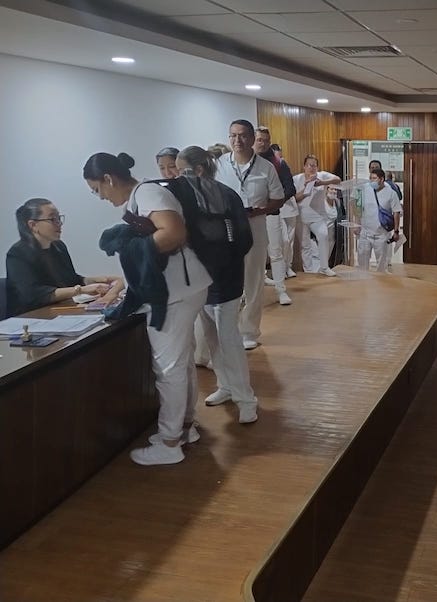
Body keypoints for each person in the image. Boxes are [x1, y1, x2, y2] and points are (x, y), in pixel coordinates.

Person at [84, 152, 212, 466]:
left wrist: (133, 249)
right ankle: (185, 427)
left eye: (98, 190)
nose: (100, 197)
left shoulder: (148, 194)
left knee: (168, 370)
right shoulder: (142, 197)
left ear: (109, 178)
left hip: (174, 294)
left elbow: (174, 233)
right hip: (187, 287)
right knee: (182, 363)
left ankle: (169, 443)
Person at [175, 146, 258, 424]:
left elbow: (243, 239)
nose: (176, 176)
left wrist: (222, 262)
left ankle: (246, 398)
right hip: (200, 280)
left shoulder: (226, 196)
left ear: (199, 170)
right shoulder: (186, 199)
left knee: (229, 338)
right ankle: (225, 385)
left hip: (225, 278)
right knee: (211, 336)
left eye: (181, 170)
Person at [215, 119, 290, 351]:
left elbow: (278, 198)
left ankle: (249, 331)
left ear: (252, 139)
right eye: (233, 135)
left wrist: (259, 210)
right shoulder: (219, 165)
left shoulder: (266, 167)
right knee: (228, 282)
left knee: (254, 282)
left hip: (255, 228)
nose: (237, 140)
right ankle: (228, 330)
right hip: (226, 231)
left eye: (243, 135)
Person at [6, 198, 124, 316]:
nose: (59, 223)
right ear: (33, 225)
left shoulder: (58, 247)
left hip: (60, 311)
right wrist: (81, 290)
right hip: (31, 316)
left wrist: (91, 281)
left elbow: (70, 280)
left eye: (59, 218)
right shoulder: (17, 253)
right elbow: (34, 295)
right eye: (53, 219)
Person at [254, 128, 298, 281]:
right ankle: (261, 277)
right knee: (254, 251)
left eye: (266, 140)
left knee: (277, 248)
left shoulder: (278, 163)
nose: (263, 143)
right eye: (260, 140)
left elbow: (290, 188)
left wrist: (275, 202)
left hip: (272, 213)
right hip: (250, 214)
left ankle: (280, 286)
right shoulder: (246, 162)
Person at [293, 154, 341, 276]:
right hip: (301, 216)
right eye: (309, 165)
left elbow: (338, 180)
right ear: (304, 166)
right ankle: (308, 271)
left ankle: (324, 267)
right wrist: (305, 190)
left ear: (317, 167)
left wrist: (322, 183)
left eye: (314, 166)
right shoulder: (297, 179)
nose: (311, 168)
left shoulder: (322, 175)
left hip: (318, 216)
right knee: (305, 245)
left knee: (323, 235)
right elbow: (294, 198)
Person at [355, 168, 401, 273]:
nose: (371, 181)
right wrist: (357, 224)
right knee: (362, 263)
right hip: (365, 233)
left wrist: (396, 231)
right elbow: (358, 207)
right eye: (370, 178)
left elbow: (396, 212)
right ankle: (363, 281)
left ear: (381, 179)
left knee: (381, 265)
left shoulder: (391, 193)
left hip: (382, 234)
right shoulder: (365, 189)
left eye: (374, 178)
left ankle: (381, 281)